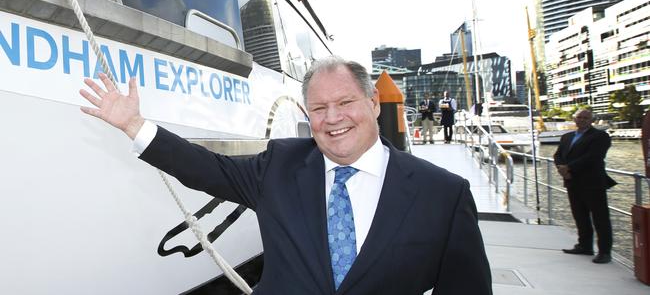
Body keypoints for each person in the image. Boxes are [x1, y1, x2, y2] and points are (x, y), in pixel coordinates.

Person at [80, 56, 492, 294]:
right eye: (318, 108)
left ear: (372, 103)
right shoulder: (280, 165)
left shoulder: (443, 194)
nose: (332, 119)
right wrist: (136, 126)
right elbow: (206, 170)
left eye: (345, 102)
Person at [553, 108, 616, 264]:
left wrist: (569, 168)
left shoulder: (600, 136)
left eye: (585, 117)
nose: (582, 120)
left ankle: (604, 252)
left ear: (591, 120)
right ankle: (585, 245)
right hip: (572, 181)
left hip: (593, 182)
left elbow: (594, 157)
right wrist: (562, 168)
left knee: (600, 218)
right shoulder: (567, 137)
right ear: (574, 119)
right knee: (579, 215)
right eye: (579, 117)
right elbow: (558, 155)